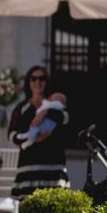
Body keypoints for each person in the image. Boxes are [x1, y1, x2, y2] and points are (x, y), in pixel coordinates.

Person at [8, 66, 70, 198]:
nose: (38, 82)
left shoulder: (56, 103)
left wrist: (45, 111)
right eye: (33, 78)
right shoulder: (21, 107)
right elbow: (11, 134)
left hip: (53, 164)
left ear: (46, 82)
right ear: (28, 82)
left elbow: (65, 121)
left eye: (42, 78)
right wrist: (34, 139)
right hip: (29, 165)